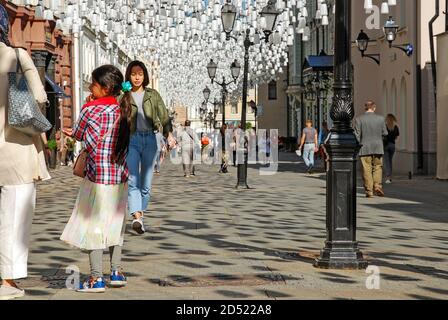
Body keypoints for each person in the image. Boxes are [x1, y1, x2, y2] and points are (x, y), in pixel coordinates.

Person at [60, 65, 130, 293]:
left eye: (94, 84)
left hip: (97, 177)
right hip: (119, 177)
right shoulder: (123, 110)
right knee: (116, 226)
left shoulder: (91, 109)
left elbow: (79, 133)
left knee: (94, 227)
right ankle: (117, 272)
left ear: (105, 87)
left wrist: (88, 104)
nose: (90, 87)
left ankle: (96, 279)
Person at [0, 4, 51, 300]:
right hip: (15, 150)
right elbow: (41, 97)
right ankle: (7, 282)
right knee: (15, 215)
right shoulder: (18, 56)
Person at [120, 61, 175, 235]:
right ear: (129, 75)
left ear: (145, 76)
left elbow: (164, 116)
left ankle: (140, 214)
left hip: (150, 139)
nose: (137, 77)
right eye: (133, 74)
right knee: (133, 180)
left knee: (146, 185)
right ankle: (136, 217)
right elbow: (117, 116)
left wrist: (170, 135)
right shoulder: (125, 96)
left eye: (140, 74)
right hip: (132, 140)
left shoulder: (153, 95)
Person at [354, 101, 388, 198]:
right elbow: (385, 133)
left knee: (366, 169)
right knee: (378, 167)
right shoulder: (380, 119)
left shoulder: (359, 119)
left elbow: (357, 135)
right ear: (374, 108)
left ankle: (369, 191)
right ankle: (377, 185)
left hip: (364, 147)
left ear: (365, 108)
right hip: (378, 147)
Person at [384, 114, 400, 184]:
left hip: (386, 145)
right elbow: (396, 137)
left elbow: (383, 135)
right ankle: (390, 177)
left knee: (387, 162)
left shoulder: (385, 127)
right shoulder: (395, 127)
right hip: (392, 145)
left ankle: (388, 177)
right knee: (390, 161)